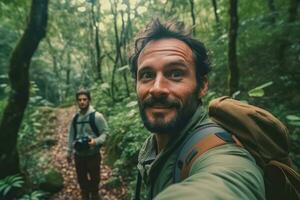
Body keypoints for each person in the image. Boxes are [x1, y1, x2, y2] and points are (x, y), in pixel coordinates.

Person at [129, 19, 265, 199]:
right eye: (147, 75)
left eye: (176, 73)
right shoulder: (152, 146)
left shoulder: (221, 152)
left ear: (202, 86)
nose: (157, 88)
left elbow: (229, 181)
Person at [67, 89, 108, 200]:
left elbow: (105, 133)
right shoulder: (75, 118)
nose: (82, 102)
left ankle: (94, 194)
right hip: (78, 155)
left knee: (95, 178)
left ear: (89, 100)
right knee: (81, 178)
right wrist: (69, 152)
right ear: (77, 102)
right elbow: (71, 135)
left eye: (84, 99)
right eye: (79, 100)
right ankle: (85, 195)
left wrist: (96, 141)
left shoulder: (97, 116)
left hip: (93, 154)